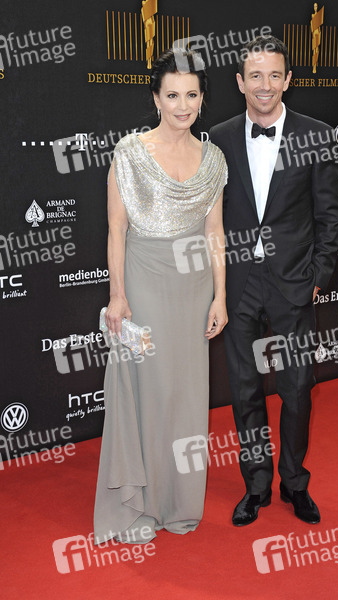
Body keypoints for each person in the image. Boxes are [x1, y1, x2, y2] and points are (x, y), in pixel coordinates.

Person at [94, 49, 228, 544]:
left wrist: (220, 296)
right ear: (156, 98)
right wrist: (118, 296)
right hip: (144, 282)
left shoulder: (213, 159)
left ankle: (179, 502)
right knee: (147, 390)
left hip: (193, 289)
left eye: (191, 95)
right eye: (172, 95)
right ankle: (141, 505)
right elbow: (116, 229)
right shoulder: (129, 153)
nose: (182, 105)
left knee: (185, 394)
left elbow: (214, 233)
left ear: (202, 99)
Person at [209, 35, 338, 526]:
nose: (264, 85)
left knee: (297, 388)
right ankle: (256, 485)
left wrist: (319, 275)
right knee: (245, 390)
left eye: (273, 75)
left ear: (287, 80)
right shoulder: (219, 138)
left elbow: (331, 213)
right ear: (240, 82)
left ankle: (294, 481)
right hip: (240, 284)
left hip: (293, 282)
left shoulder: (317, 135)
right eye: (255, 76)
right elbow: (211, 215)